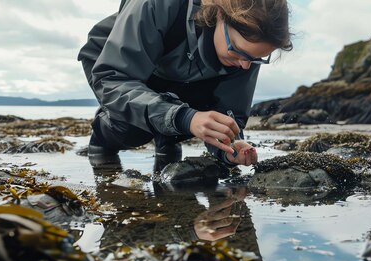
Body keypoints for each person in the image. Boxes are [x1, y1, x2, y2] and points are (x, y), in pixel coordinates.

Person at [78, 0, 293, 167]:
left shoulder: (245, 54)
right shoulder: (158, 5)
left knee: (188, 121)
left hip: (183, 76)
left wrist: (230, 148)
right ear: (219, 14)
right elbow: (114, 77)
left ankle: (167, 140)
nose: (246, 66)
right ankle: (103, 134)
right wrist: (183, 118)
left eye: (256, 59)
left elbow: (228, 112)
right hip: (116, 65)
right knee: (135, 129)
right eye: (239, 51)